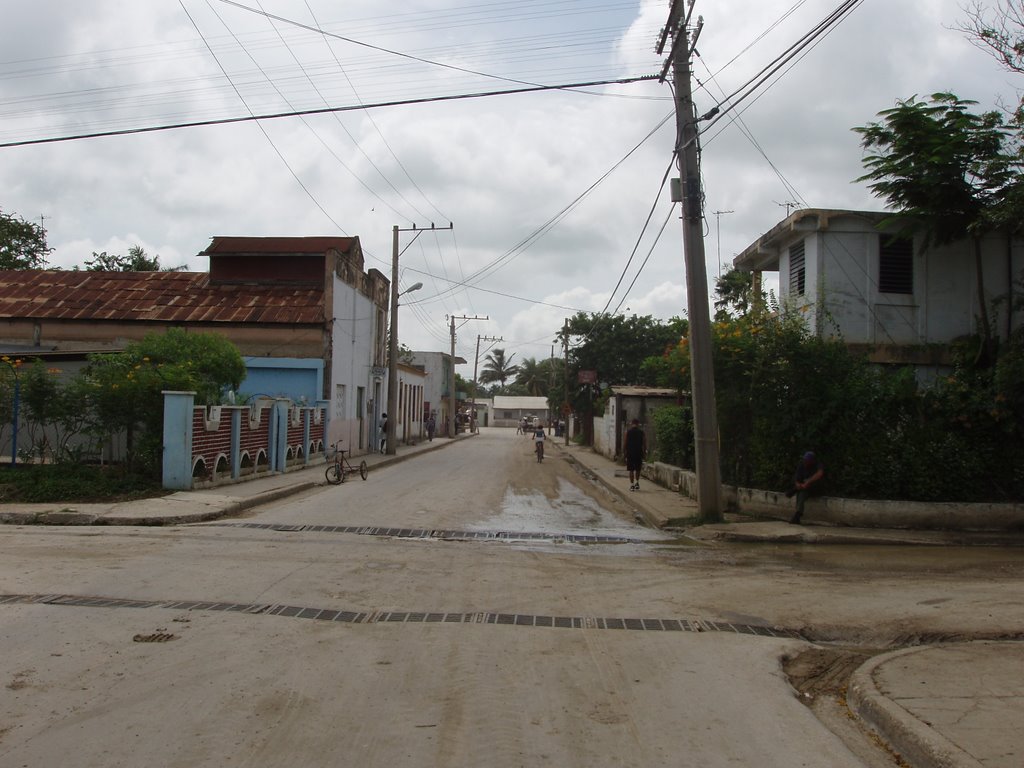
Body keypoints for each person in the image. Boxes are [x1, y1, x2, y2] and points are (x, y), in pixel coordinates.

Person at [789, 451, 824, 524]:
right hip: (804, 488)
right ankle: (798, 514)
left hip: (815, 487)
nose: (805, 462)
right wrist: (798, 484)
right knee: (801, 492)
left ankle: (798, 514)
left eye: (807, 461)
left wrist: (808, 482)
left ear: (812, 461)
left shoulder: (818, 464)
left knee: (802, 491)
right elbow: (797, 477)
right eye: (805, 460)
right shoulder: (802, 465)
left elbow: (820, 474)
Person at [624, 418, 646, 491]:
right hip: (638, 453)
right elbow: (644, 443)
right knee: (638, 469)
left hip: (630, 453)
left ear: (631, 423)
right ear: (638, 424)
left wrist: (624, 452)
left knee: (631, 470)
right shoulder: (641, 432)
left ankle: (632, 485)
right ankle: (637, 483)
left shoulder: (628, 432)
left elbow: (625, 443)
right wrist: (644, 452)